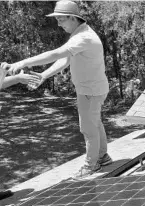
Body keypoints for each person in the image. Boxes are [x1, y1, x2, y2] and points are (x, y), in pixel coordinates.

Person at [2, 1, 112, 179]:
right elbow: (65, 59)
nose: (59, 24)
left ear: (73, 18)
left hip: (90, 91)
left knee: (88, 128)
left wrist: (23, 62)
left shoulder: (83, 37)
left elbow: (56, 54)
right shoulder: (80, 34)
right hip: (93, 89)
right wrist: (43, 75)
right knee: (95, 122)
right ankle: (103, 156)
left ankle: (91, 165)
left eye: (61, 20)